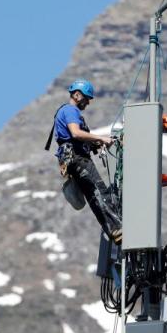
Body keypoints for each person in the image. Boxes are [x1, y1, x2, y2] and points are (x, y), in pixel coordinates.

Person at [45, 79, 122, 244]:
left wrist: (95, 143)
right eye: (86, 98)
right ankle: (117, 227)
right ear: (77, 95)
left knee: (94, 197)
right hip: (78, 159)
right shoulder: (71, 110)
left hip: (72, 161)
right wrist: (101, 138)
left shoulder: (64, 112)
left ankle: (113, 231)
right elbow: (76, 133)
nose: (87, 103)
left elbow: (75, 137)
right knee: (101, 192)